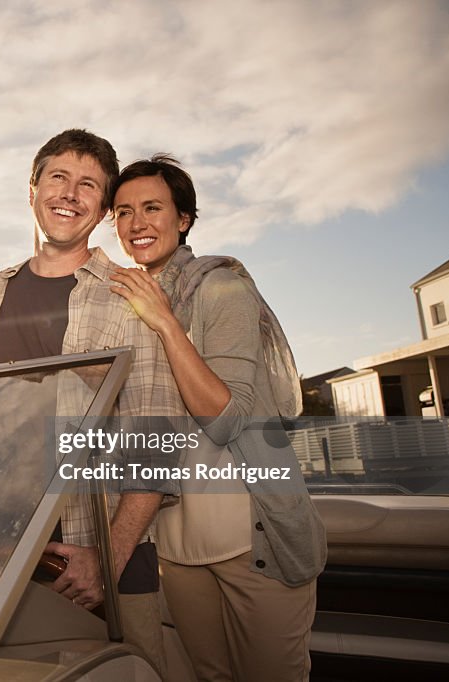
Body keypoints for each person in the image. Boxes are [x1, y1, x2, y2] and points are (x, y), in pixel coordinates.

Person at [0, 129, 183, 676]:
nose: (70, 193)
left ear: (103, 209)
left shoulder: (128, 293)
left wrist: (107, 560)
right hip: (3, 550)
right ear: (32, 189)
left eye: (89, 185)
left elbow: (156, 439)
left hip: (103, 553)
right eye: (58, 177)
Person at [108, 154, 327, 681]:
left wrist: (164, 321)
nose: (137, 223)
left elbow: (226, 419)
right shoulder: (124, 303)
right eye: (123, 211)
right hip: (177, 544)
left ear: (183, 219)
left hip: (252, 540)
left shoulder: (222, 288)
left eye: (153, 207)